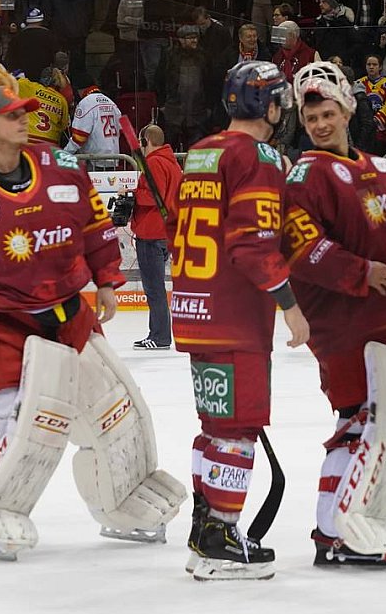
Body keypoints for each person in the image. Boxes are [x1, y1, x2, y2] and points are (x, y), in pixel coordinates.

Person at [0, 86, 182, 560]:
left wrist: (107, 279)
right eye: (13, 115)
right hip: (1, 324)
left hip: (68, 314)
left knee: (115, 411)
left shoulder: (60, 165)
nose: (25, 120)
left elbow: (93, 224)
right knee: (22, 423)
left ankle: (121, 502)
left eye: (25, 113)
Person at [281, 62, 386, 567]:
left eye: (328, 113)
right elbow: (301, 248)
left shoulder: (381, 167)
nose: (320, 124)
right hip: (342, 324)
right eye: (311, 117)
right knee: (355, 421)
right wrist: (360, 272)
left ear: (347, 110)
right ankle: (330, 532)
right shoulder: (304, 175)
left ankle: (363, 512)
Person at [172, 60, 309, 579]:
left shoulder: (202, 151)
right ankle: (220, 538)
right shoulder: (258, 156)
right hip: (234, 315)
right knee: (236, 429)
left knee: (213, 427)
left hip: (195, 308)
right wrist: (290, 305)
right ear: (266, 105)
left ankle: (205, 528)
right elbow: (253, 244)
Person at [130, 124, 182, 352]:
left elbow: (153, 196)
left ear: (146, 141)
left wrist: (132, 195)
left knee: (154, 288)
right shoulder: (172, 162)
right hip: (165, 232)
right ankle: (158, 334)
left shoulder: (154, 162)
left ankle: (160, 336)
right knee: (156, 287)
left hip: (151, 232)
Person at [64, 83, 123, 159]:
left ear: (80, 91)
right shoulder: (112, 103)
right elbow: (121, 130)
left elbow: (79, 137)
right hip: (114, 157)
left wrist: (64, 154)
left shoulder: (85, 103)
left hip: (94, 159)